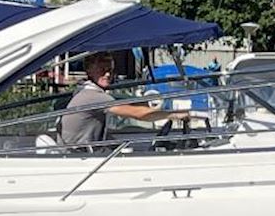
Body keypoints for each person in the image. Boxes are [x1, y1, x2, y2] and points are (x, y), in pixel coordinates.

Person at [58, 53, 188, 147]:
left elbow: (124, 103)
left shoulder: (84, 90)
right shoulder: (93, 96)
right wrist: (174, 115)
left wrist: (144, 103)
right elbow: (139, 114)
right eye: (102, 70)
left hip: (80, 151)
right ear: (89, 71)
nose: (108, 74)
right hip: (80, 155)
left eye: (110, 70)